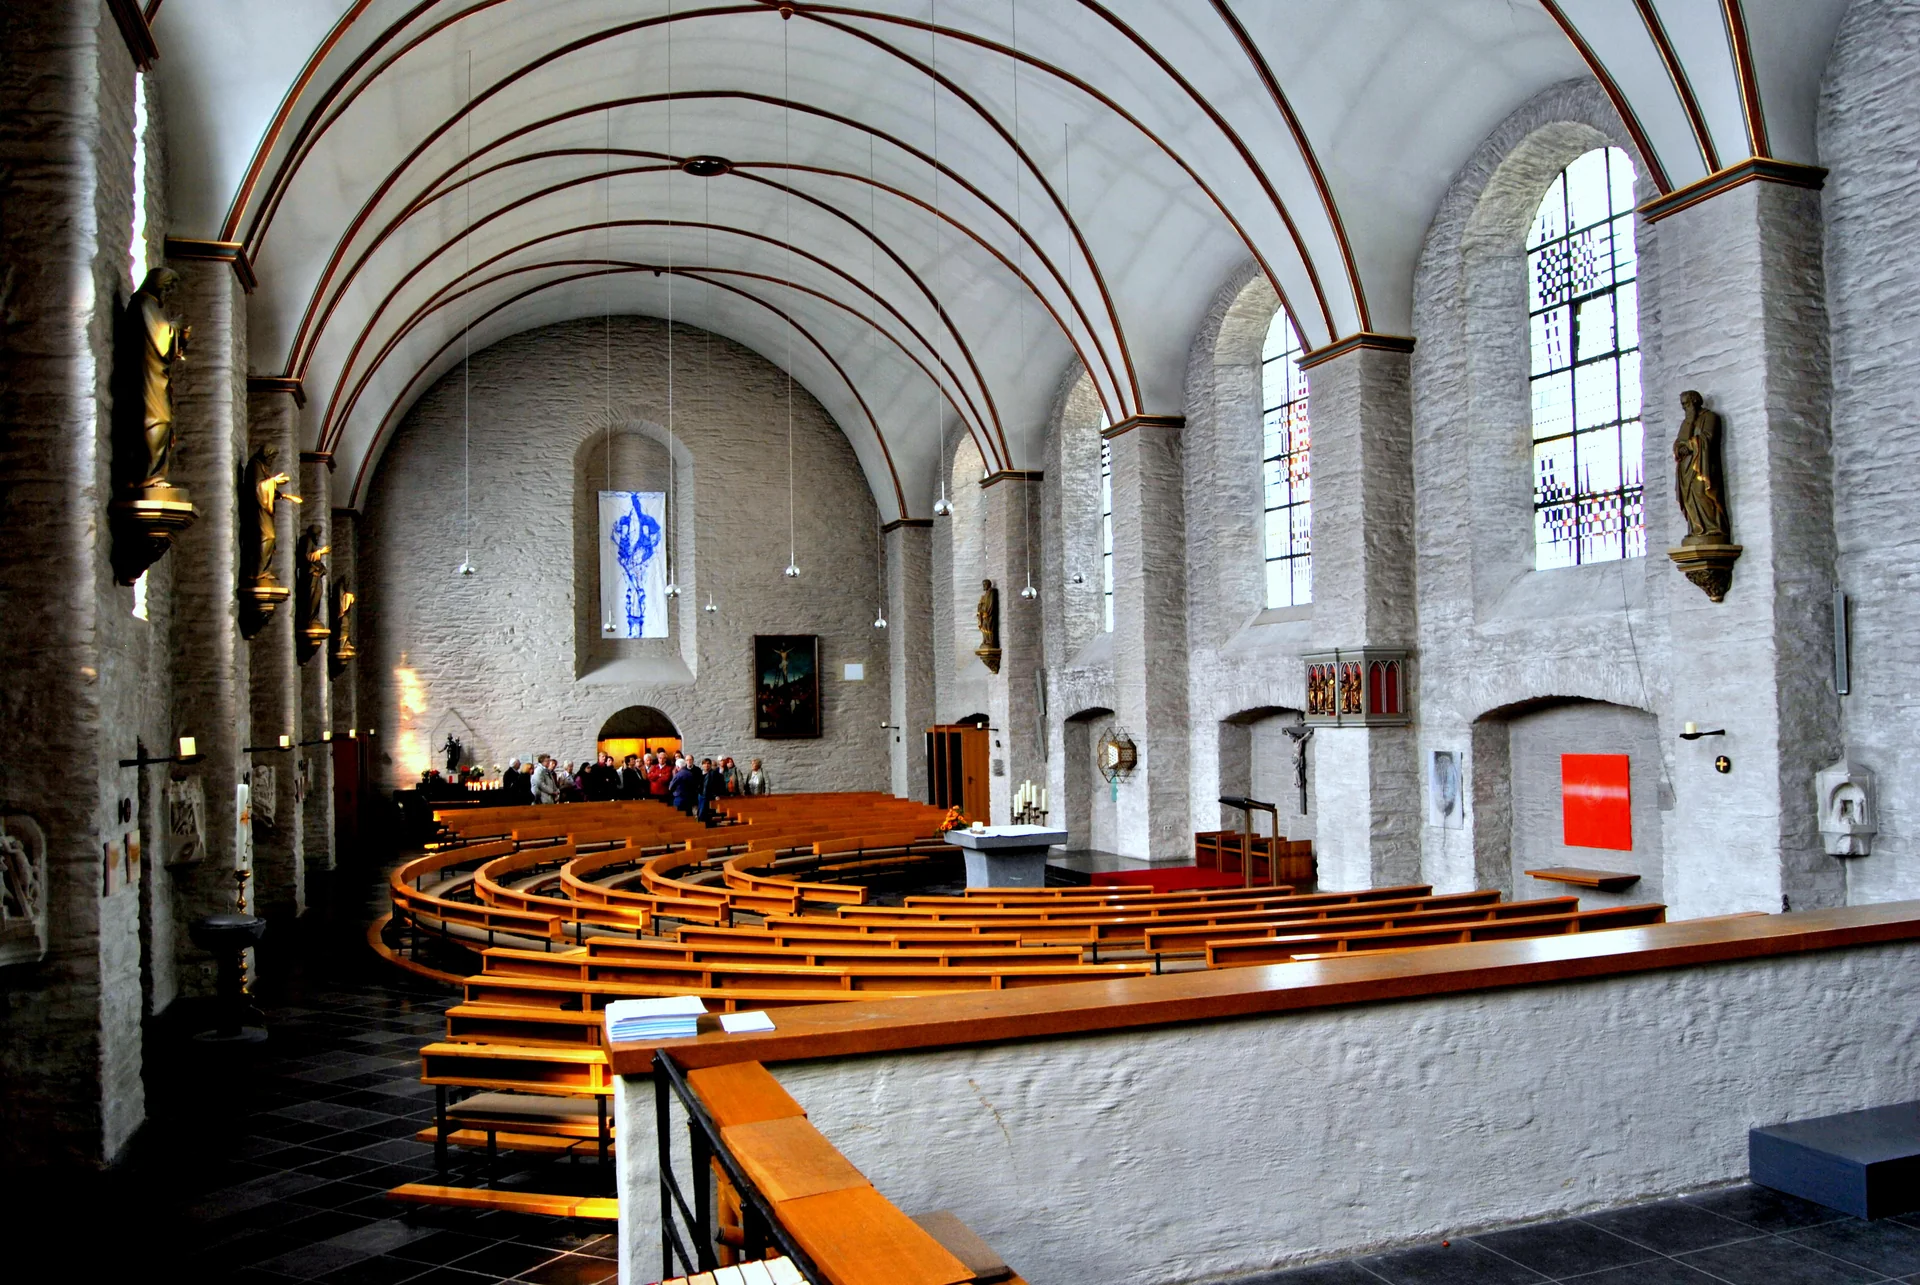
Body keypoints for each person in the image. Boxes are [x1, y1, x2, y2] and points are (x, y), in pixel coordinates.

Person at [698, 757, 725, 822]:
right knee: (700, 813)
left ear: (710, 765)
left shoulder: (713, 774)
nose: (706, 765)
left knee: (704, 814)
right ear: (702, 765)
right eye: (704, 764)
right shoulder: (699, 773)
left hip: (708, 796)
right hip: (700, 795)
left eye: (708, 763)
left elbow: (715, 786)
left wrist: (715, 795)